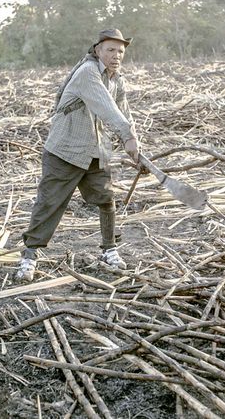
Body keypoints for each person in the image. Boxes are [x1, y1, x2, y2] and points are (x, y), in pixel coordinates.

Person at [15, 28, 141, 282]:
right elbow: (106, 107)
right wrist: (127, 136)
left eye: (120, 51)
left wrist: (136, 142)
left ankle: (109, 250)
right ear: (97, 50)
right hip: (66, 150)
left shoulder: (117, 79)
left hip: (96, 150)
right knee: (49, 203)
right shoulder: (87, 73)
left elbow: (124, 112)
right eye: (110, 50)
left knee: (106, 199)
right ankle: (28, 258)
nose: (116, 55)